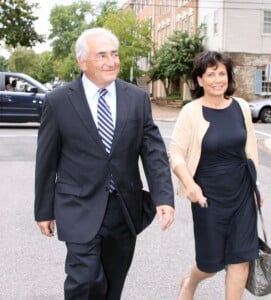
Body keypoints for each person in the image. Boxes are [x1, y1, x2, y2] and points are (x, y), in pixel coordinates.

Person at [34, 27, 175, 300]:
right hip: (77, 205)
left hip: (123, 208)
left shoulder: (136, 98)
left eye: (114, 54)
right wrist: (43, 210)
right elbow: (46, 161)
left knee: (113, 282)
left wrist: (164, 197)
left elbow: (152, 150)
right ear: (82, 61)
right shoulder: (59, 101)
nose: (112, 62)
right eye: (101, 55)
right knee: (84, 280)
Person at [168, 50, 260, 300]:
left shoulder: (240, 107)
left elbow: (250, 150)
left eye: (222, 73)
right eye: (211, 74)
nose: (218, 79)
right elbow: (175, 153)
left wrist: (256, 187)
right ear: (200, 80)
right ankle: (190, 282)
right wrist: (189, 185)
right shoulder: (191, 111)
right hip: (207, 195)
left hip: (241, 193)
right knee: (210, 263)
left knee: (241, 258)